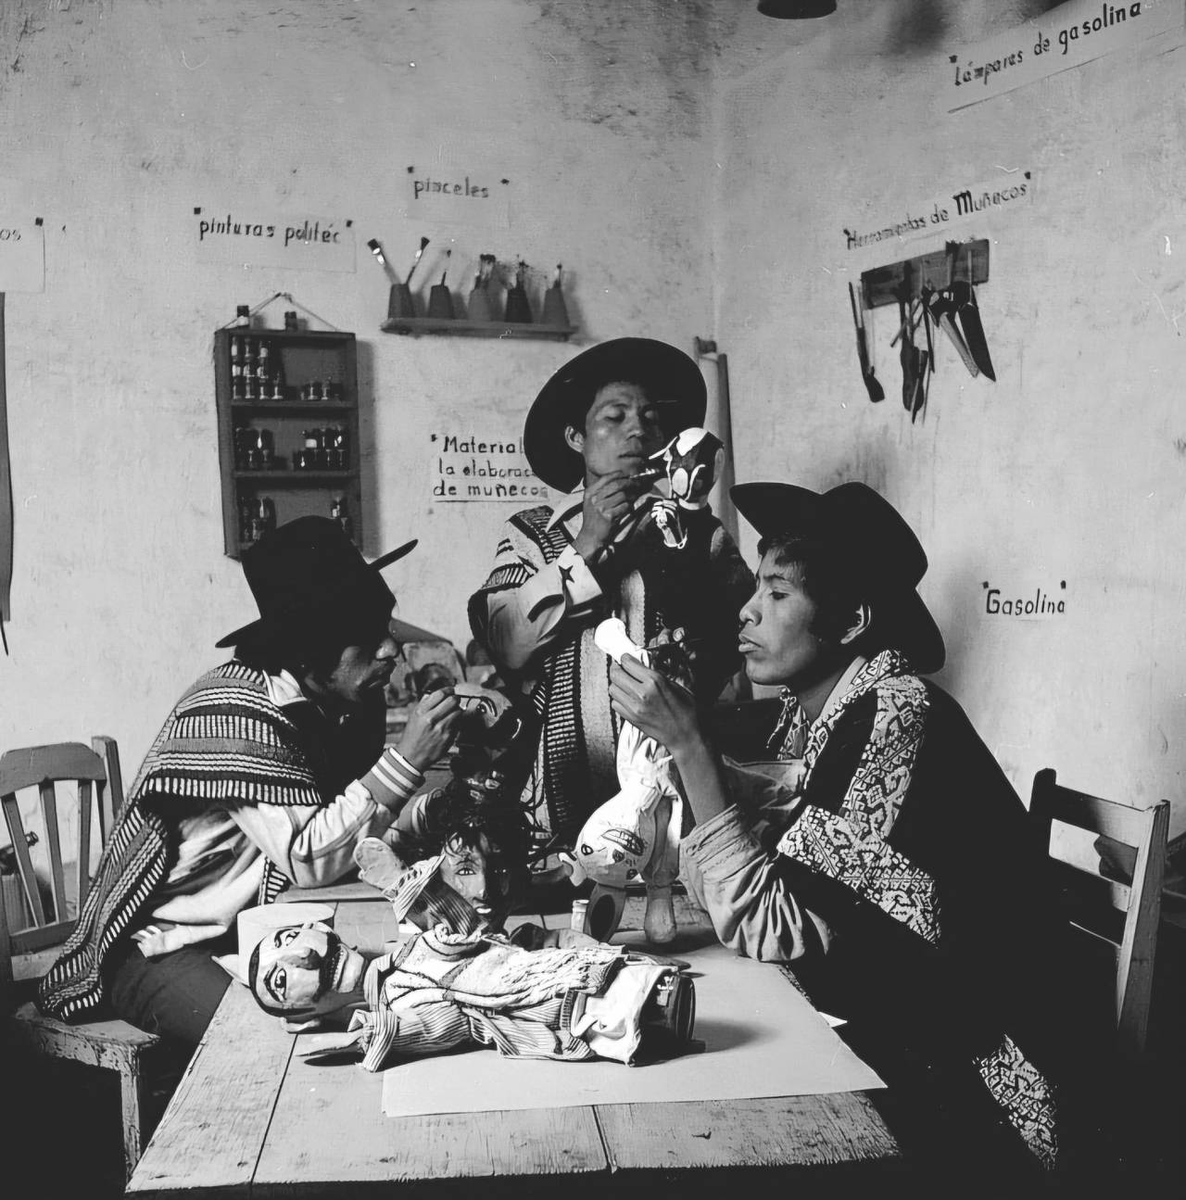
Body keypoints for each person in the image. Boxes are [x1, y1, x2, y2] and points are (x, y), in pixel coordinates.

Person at [607, 481, 1092, 1177]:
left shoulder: (895, 714)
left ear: (852, 619)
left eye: (777, 595)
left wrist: (690, 747)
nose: (747, 610)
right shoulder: (828, 715)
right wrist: (694, 742)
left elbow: (772, 925)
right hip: (887, 1025)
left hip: (984, 1083)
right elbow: (764, 861)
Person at [37, 517, 462, 1046]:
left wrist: (432, 803)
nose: (391, 650)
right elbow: (311, 858)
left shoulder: (324, 707)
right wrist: (406, 761)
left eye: (387, 627)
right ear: (310, 650)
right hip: (162, 947)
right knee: (271, 1042)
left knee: (375, 992)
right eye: (366, 636)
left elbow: (352, 828)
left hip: (252, 927)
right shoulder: (238, 715)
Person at [468, 337, 754, 849]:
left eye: (650, 419)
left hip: (675, 809)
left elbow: (742, 647)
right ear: (576, 436)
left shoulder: (701, 534)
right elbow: (506, 644)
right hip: (554, 811)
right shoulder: (530, 535)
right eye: (614, 418)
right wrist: (586, 543)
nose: (637, 430)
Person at [246, 919, 696, 1071]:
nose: (303, 954)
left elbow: (473, 944)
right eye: (281, 979)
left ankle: (641, 981)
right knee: (614, 1007)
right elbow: (446, 1025)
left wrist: (450, 939)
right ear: (302, 1017)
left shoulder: (403, 953)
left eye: (290, 939)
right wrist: (375, 1035)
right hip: (547, 1005)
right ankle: (646, 1007)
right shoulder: (395, 1005)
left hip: (539, 969)